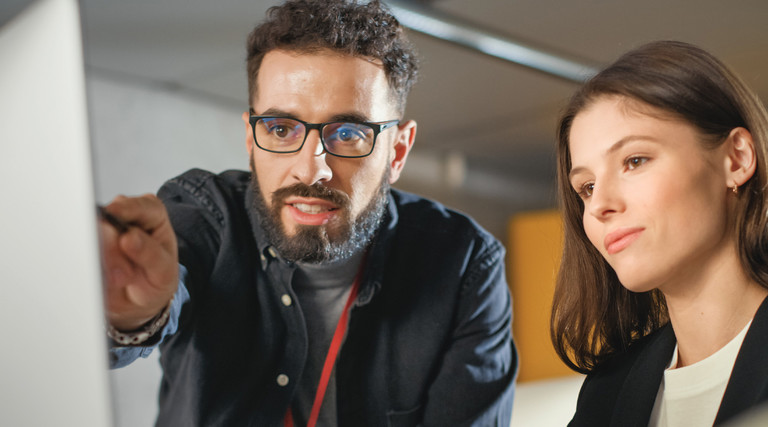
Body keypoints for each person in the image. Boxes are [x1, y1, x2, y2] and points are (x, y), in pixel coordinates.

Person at [100, 1, 517, 426]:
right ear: (251, 138)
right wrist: (134, 314)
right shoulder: (205, 213)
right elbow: (150, 304)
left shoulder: (464, 264)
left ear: (398, 151)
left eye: (350, 133)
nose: (312, 168)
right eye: (281, 130)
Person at [551, 40, 768, 426]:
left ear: (736, 159)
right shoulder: (604, 395)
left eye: (634, 161)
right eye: (585, 187)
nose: (600, 204)